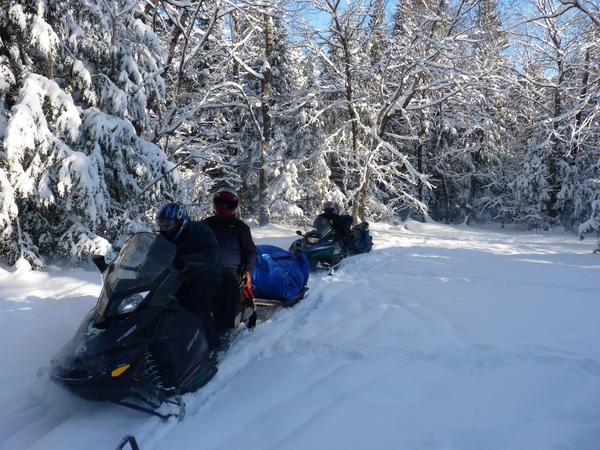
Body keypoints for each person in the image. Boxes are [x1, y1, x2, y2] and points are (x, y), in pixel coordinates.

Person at [156, 202, 221, 349]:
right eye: (161, 225)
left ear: (180, 222)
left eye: (167, 225)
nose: (163, 229)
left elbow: (211, 255)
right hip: (177, 279)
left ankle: (212, 345)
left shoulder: (201, 231)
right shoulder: (163, 238)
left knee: (197, 302)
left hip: (205, 277)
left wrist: (186, 261)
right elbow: (152, 256)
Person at [203, 187, 256, 334]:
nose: (224, 207)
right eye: (221, 203)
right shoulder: (206, 224)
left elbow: (250, 251)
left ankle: (225, 329)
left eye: (228, 204)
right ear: (215, 204)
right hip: (205, 267)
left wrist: (247, 270)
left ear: (234, 206)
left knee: (227, 287)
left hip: (230, 269)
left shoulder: (241, 227)